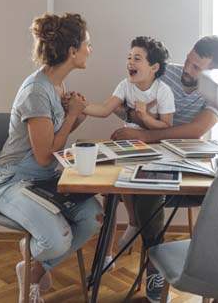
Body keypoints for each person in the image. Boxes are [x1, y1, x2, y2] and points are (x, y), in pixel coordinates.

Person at [0, 13, 102, 303]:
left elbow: (56, 139)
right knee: (55, 240)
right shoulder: (36, 92)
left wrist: (73, 114)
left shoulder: (57, 85)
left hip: (46, 179)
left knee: (94, 218)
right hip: (15, 181)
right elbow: (43, 156)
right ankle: (33, 262)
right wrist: (73, 115)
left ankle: (34, 270)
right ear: (72, 52)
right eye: (88, 44)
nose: (91, 49)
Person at [111, 35, 218, 303]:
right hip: (151, 161)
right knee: (147, 190)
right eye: (189, 60)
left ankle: (211, 271)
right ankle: (155, 265)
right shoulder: (165, 73)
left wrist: (148, 134)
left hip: (189, 166)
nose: (187, 69)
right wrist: (136, 117)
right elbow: (123, 104)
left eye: (197, 68)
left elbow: (196, 130)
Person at [84, 35, 175, 270]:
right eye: (129, 57)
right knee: (116, 180)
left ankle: (137, 227)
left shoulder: (163, 91)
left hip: (153, 148)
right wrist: (80, 107)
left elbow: (166, 126)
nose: (130, 62)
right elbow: (105, 109)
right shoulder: (125, 86)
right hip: (128, 147)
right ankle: (130, 225)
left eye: (137, 58)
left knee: (140, 186)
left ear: (153, 67)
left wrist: (144, 117)